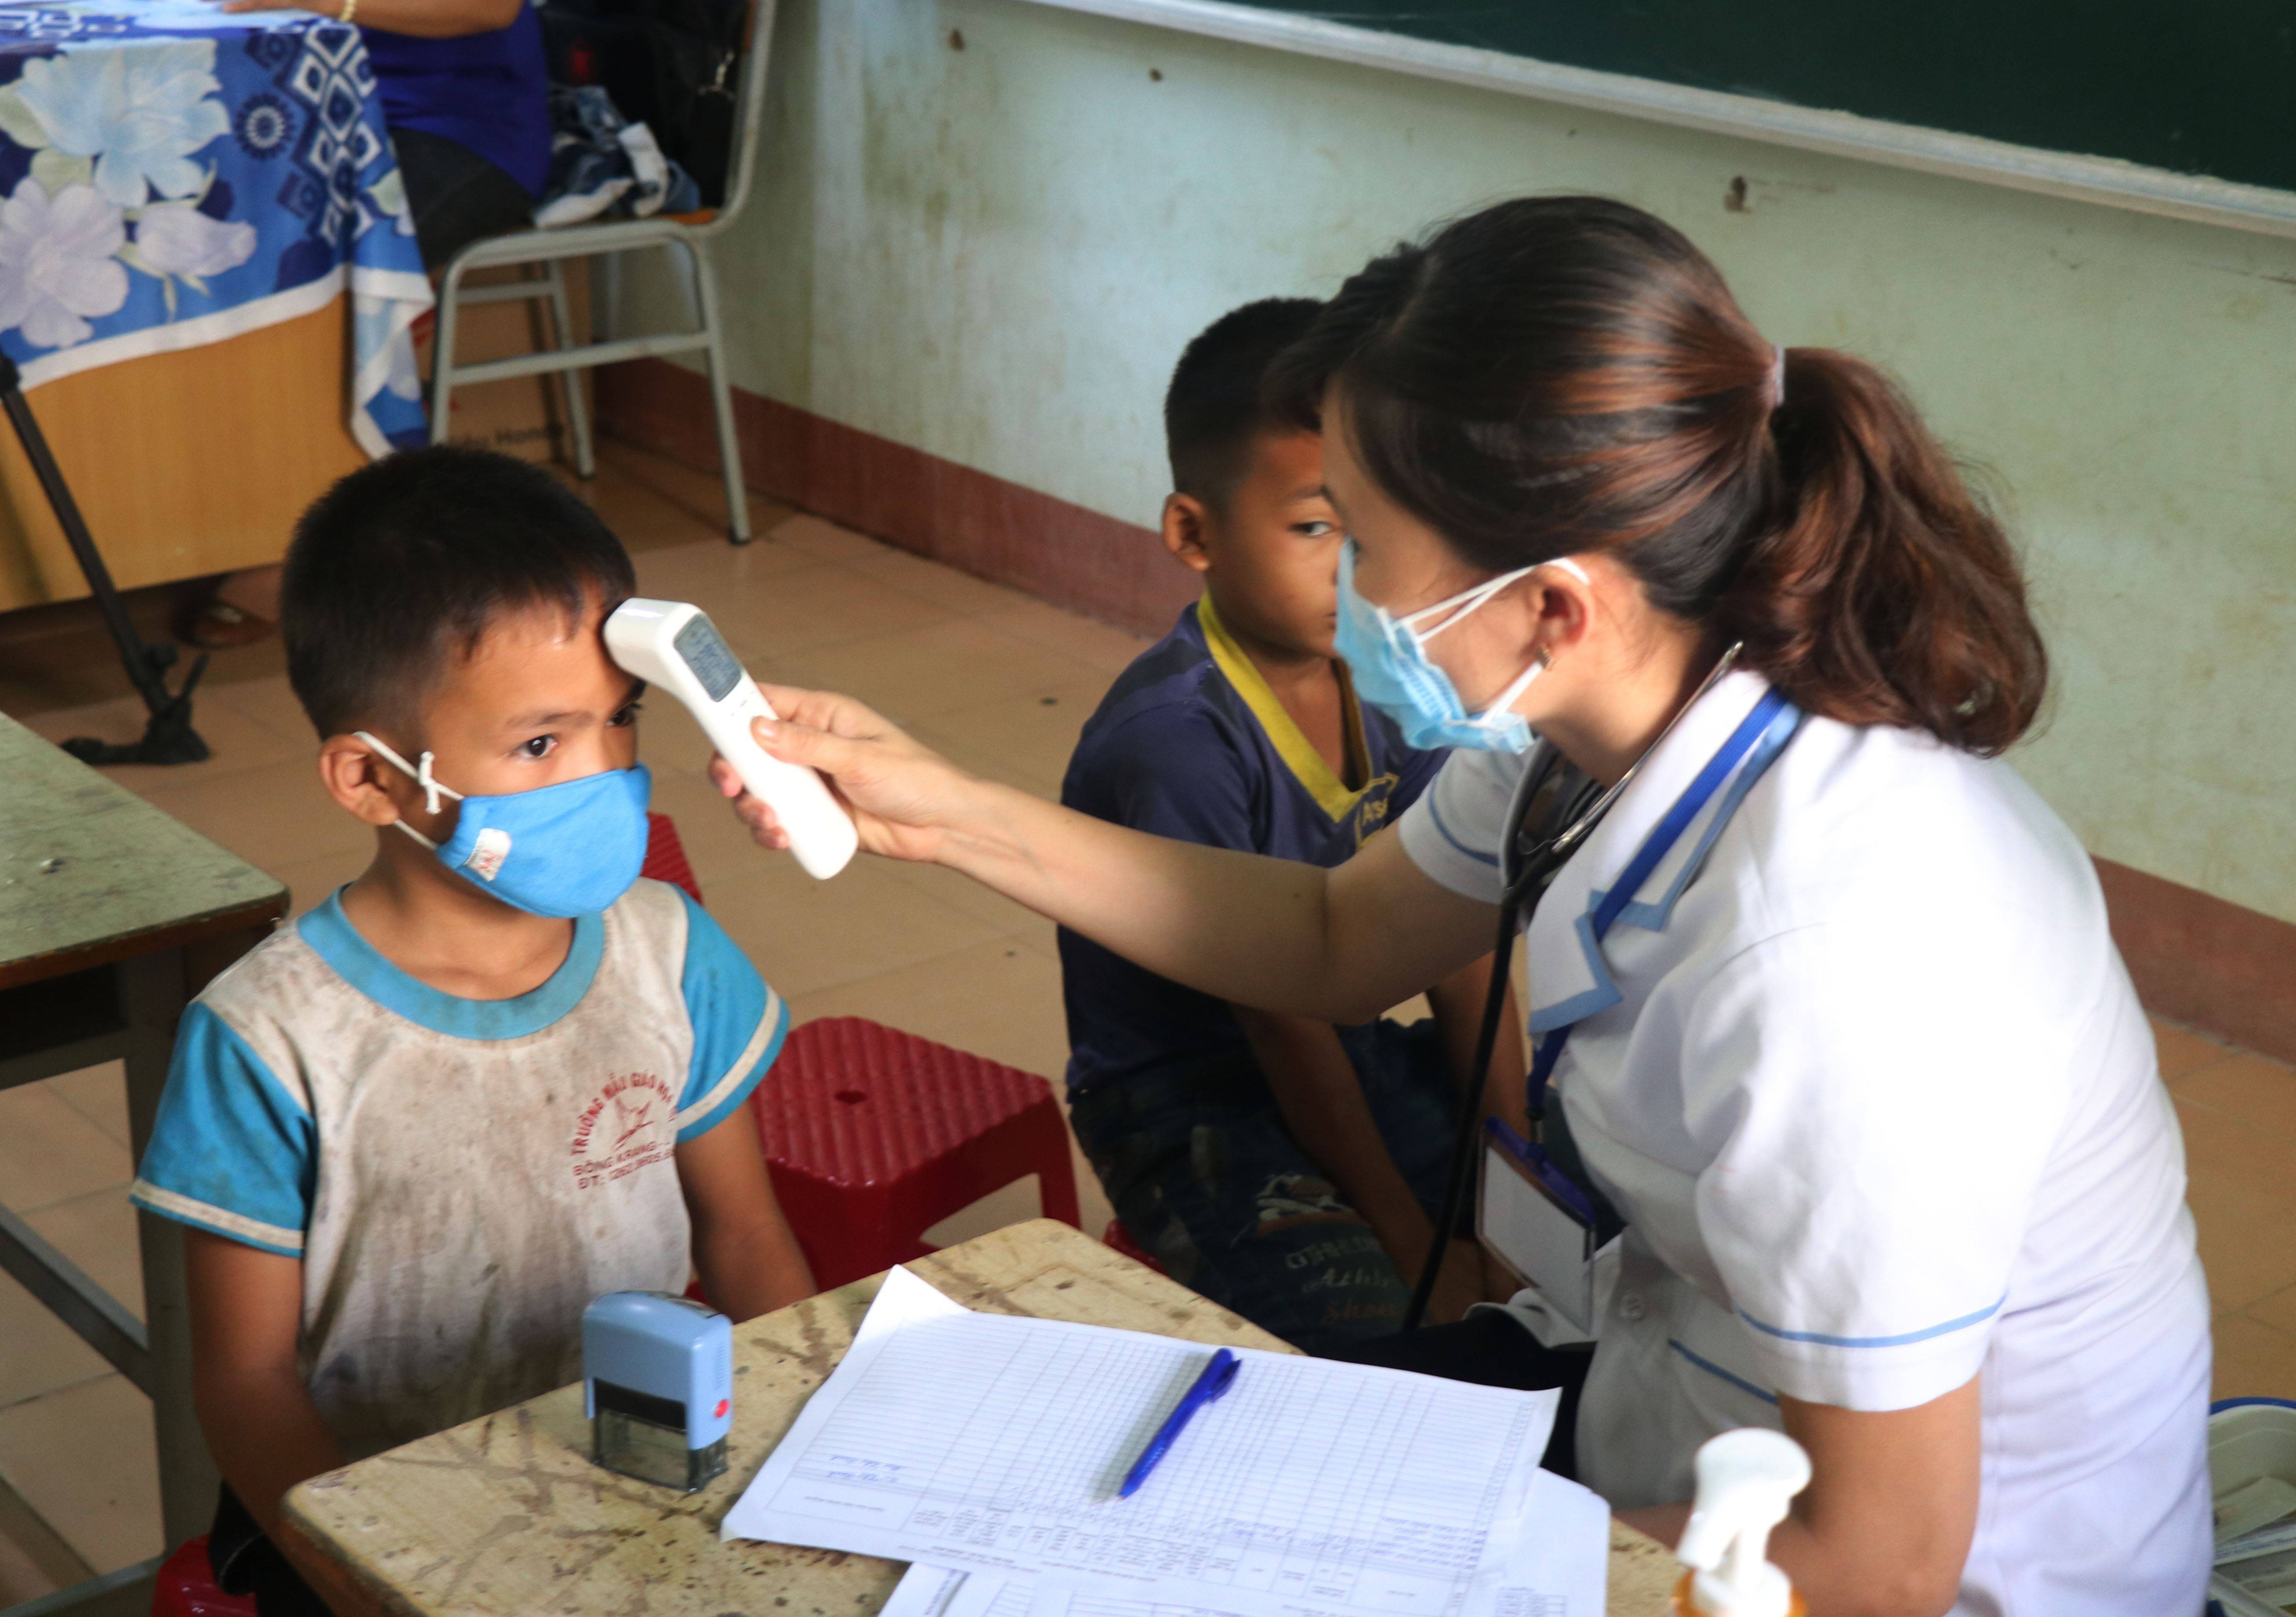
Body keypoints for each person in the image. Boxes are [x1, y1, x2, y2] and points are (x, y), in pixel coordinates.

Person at [707, 198, 2211, 1615]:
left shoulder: (1838, 951)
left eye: (1360, 540)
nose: (1345, 584)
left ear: (1552, 603)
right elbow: (1331, 940)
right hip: (1680, 1396)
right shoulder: (1598, 719)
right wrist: (947, 809)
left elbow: (1872, 1563)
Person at [131, 447, 814, 1615]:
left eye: (620, 721)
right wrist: (380, 1578)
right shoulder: (269, 1041)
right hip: (361, 1521)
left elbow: (745, 1237)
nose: (604, 772)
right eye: (542, 744)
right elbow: (245, 1382)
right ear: (373, 781)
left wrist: (818, 1442)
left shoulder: (670, 951)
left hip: (633, 1476)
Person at [1060, 299, 1521, 1353]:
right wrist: (1413, 1245)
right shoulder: (1177, 739)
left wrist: (1506, 1168)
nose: (1358, 572)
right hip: (1192, 1105)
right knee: (1384, 1345)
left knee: (1590, 1200)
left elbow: (1463, 947)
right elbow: (1279, 1017)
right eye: (1315, 528)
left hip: (1349, 1045)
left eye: (1382, 526)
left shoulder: (1395, 674)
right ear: (1194, 533)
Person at [190, 0, 553, 649]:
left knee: (306, 262)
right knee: (194, 225)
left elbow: (490, 10)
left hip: (460, 130)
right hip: (318, 112)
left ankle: (313, 545)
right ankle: (194, 513)